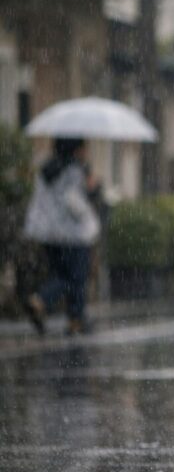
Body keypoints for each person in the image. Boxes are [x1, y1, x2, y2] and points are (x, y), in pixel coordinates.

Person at [23, 137, 101, 335]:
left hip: (49, 234)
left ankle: (60, 310)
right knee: (76, 277)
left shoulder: (47, 169)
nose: (86, 152)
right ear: (76, 149)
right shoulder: (75, 170)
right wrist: (93, 189)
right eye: (84, 147)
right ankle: (64, 312)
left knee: (60, 274)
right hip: (73, 235)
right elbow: (76, 202)